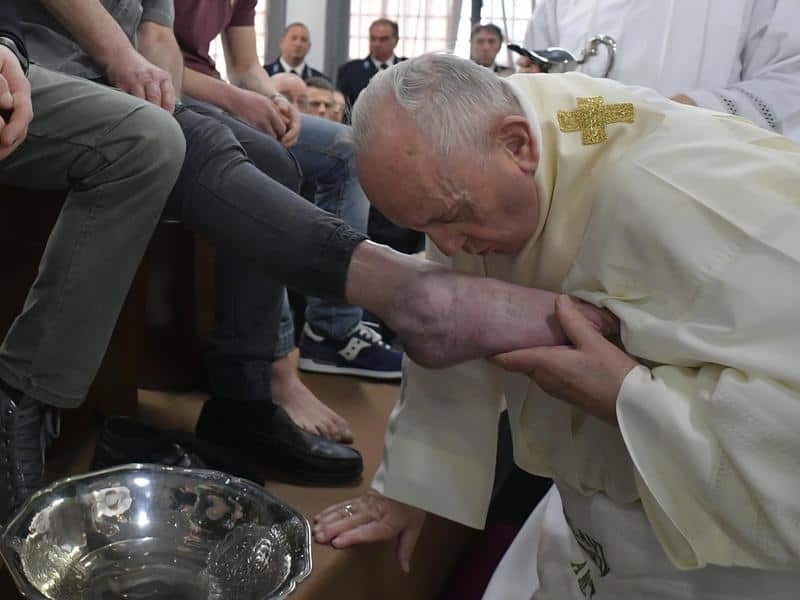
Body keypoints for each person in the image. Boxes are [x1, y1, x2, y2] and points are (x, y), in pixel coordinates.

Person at [313, 53, 800, 599]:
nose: (448, 247)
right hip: (590, 512)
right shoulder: (483, 150)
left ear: (518, 145)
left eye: (450, 218)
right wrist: (411, 487)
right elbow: (457, 329)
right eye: (424, 227)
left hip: (717, 546)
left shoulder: (687, 194)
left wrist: (625, 396)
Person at [0, 3, 186, 524]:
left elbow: (160, 37)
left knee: (169, 138)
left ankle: (21, 399)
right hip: (66, 66)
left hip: (40, 68)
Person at [173, 0, 404, 383]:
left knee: (348, 150)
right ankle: (274, 362)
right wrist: (236, 99)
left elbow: (246, 66)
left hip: (219, 93)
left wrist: (276, 100)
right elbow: (151, 56)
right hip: (176, 92)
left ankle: (332, 330)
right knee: (270, 158)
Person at [525, 0, 800, 141]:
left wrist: (681, 110)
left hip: (697, 184)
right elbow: (535, 63)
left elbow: (788, 83)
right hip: (571, 188)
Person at [336, 18, 406, 112]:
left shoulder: (407, 69)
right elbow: (342, 108)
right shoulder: (350, 71)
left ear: (395, 41)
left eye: (383, 39)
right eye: (373, 39)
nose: (377, 44)